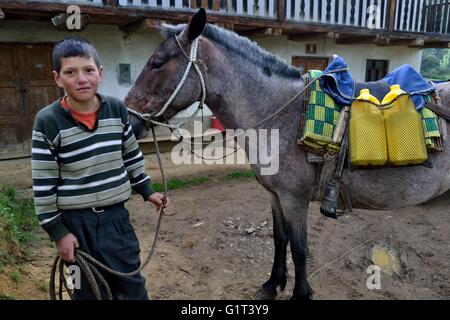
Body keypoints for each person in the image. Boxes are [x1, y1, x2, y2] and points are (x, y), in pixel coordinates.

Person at [31, 37, 169, 300]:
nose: (81, 78)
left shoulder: (117, 110)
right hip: (74, 228)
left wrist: (147, 190)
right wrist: (59, 233)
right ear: (57, 78)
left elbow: (130, 155)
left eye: (88, 70)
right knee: (84, 292)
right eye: (70, 72)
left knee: (132, 287)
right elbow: (43, 184)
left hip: (116, 222)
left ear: (100, 73)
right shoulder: (47, 121)